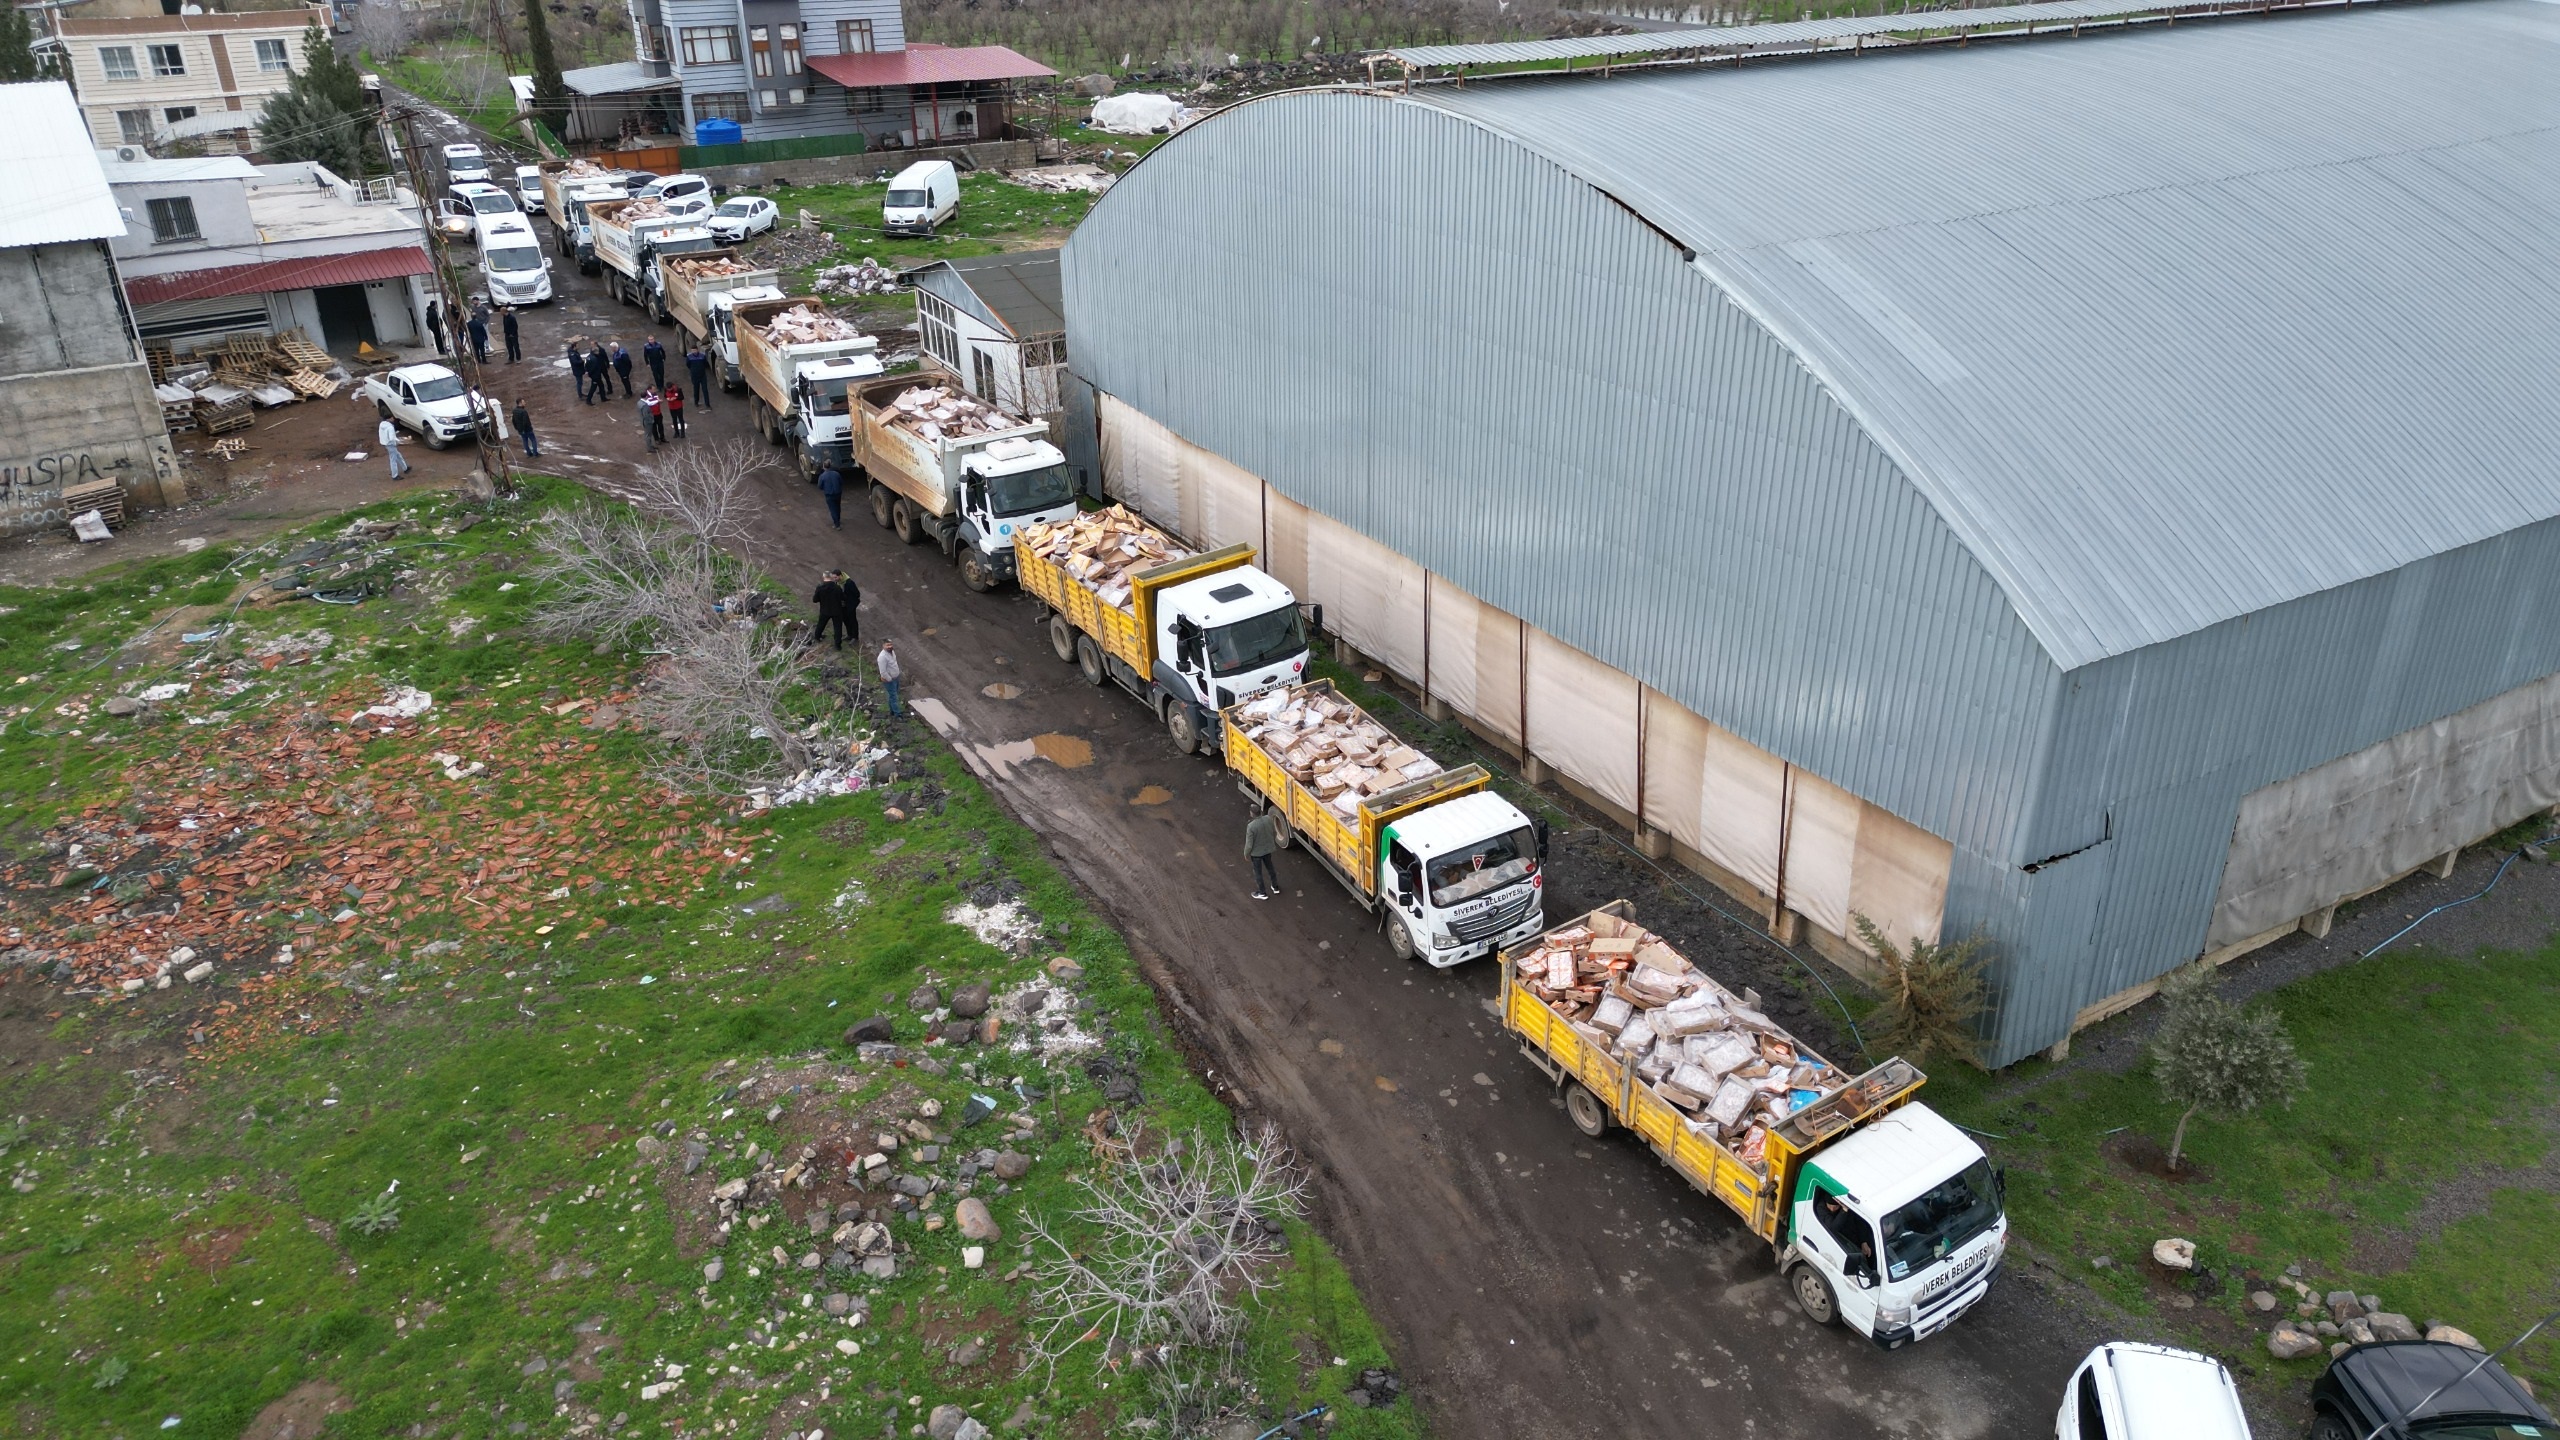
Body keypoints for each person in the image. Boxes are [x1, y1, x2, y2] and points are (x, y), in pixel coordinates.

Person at [1245, 809, 1281, 899]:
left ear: (1252, 814)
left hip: (1256, 854)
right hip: (1267, 850)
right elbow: (1274, 832)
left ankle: (1262, 893)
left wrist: (1246, 853)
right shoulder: (1268, 819)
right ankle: (1275, 887)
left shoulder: (1251, 826)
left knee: (1258, 873)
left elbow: (1249, 844)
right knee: (1270, 868)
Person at [809, 570, 848, 649]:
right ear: (831, 577)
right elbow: (843, 598)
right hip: (837, 611)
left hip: (825, 610)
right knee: (837, 628)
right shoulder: (837, 588)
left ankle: (817, 637)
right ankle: (837, 645)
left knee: (821, 624)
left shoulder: (820, 587)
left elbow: (815, 600)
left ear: (823, 577)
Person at [875, 640, 901, 717]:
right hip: (890, 680)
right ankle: (898, 714)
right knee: (894, 697)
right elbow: (883, 672)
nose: (890, 646)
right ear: (883, 646)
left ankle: (892, 711)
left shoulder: (892, 652)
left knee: (892, 696)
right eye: (887, 645)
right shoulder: (882, 657)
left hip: (896, 678)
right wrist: (890, 679)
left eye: (890, 645)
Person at [379, 414, 409, 479]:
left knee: (398, 456)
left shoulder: (382, 424)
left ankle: (405, 468)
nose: (393, 419)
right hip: (391, 444)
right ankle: (395, 475)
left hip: (385, 443)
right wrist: (401, 441)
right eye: (392, 418)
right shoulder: (390, 427)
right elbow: (392, 438)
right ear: (389, 419)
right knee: (393, 459)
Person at [816, 462, 844, 528]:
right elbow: (841, 482)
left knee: (832, 509)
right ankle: (838, 520)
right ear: (830, 466)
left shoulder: (822, 476)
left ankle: (837, 524)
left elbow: (820, 486)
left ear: (824, 467)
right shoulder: (836, 474)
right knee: (837, 507)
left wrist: (825, 488)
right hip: (838, 493)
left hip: (829, 495)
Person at [684, 344, 712, 408]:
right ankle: (696, 402)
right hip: (694, 376)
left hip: (702, 376)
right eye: (692, 350)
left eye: (695, 350)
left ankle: (707, 404)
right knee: (696, 389)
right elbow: (688, 365)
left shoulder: (702, 356)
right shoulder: (689, 357)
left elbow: (705, 364)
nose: (694, 351)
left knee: (705, 390)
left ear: (697, 350)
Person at [637, 388, 657, 453]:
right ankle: (650, 448)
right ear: (646, 396)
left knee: (648, 434)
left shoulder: (639, 402)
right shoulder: (644, 405)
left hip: (643, 420)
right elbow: (646, 415)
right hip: (647, 422)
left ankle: (650, 446)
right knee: (648, 435)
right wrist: (651, 420)